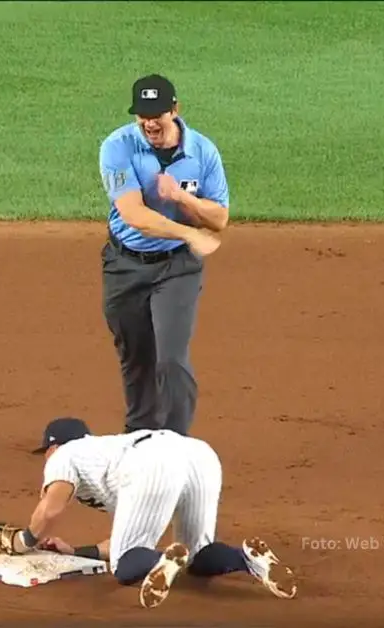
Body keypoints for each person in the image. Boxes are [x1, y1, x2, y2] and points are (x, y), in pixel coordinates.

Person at [0, 417, 296, 608]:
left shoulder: (64, 454)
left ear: (53, 446)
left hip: (151, 462)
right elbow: (123, 538)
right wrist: (77, 552)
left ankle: (163, 562)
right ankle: (247, 559)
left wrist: (24, 540)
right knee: (199, 556)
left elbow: (50, 509)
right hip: (198, 454)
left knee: (125, 567)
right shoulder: (104, 456)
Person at [98, 73, 231, 436]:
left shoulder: (203, 152)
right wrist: (189, 232)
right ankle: (138, 438)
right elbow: (133, 214)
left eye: (157, 113)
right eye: (142, 113)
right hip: (124, 265)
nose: (149, 122)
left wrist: (182, 198)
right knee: (136, 357)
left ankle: (175, 445)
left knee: (170, 360)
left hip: (177, 267)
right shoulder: (117, 147)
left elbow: (219, 218)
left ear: (175, 109)